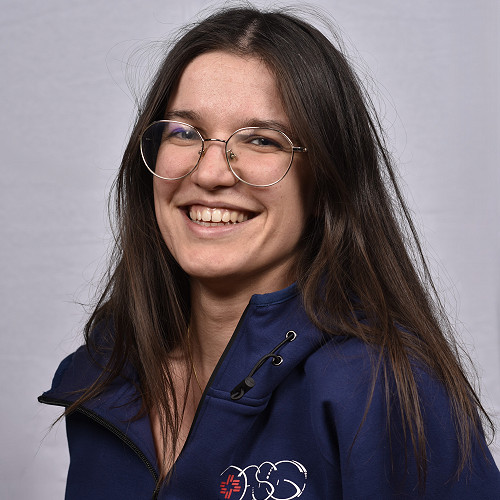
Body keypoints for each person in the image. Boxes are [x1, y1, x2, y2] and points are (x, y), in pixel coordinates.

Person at [39, 6, 500, 499]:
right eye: (185, 132)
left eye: (261, 139)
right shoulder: (106, 377)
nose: (210, 173)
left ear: (326, 182)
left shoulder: (378, 388)